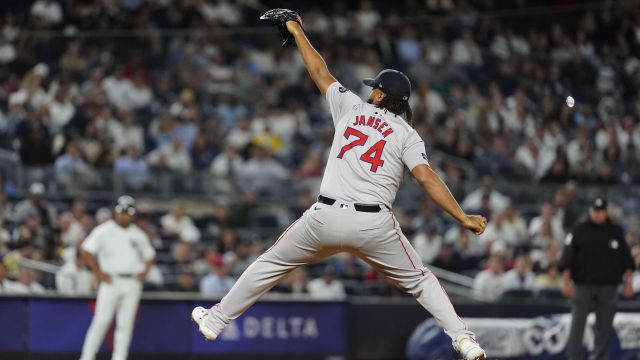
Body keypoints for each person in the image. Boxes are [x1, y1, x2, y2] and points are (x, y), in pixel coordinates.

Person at [191, 10, 487, 360]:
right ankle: (464, 340)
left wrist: (297, 31)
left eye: (374, 87)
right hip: (374, 224)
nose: (371, 90)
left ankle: (217, 319)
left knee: (271, 263)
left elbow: (319, 70)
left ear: (380, 96)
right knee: (421, 280)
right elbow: (426, 176)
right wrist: (461, 217)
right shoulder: (408, 134)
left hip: (326, 217)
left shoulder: (350, 107)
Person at [79, 196, 155, 360]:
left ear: (132, 215)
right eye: (121, 212)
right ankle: (87, 357)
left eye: (128, 213)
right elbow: (86, 250)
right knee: (101, 321)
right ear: (116, 212)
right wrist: (97, 272)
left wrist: (144, 272)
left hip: (132, 282)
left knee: (125, 325)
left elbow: (149, 256)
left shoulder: (138, 234)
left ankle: (120, 357)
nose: (124, 216)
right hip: (110, 281)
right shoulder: (104, 230)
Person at [558, 196, 635, 360]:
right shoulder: (579, 230)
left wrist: (628, 283)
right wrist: (566, 282)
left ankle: (599, 358)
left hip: (608, 286)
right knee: (578, 324)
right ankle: (574, 357)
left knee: (605, 326)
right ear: (590, 211)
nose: (599, 214)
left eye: (602, 211)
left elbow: (627, 260)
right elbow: (567, 259)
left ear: (606, 212)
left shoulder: (616, 231)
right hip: (582, 285)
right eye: (596, 211)